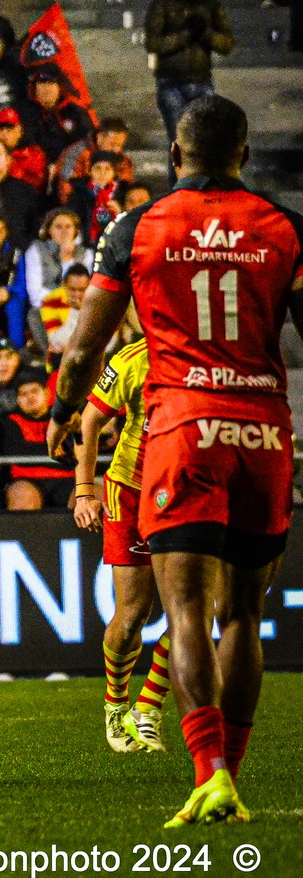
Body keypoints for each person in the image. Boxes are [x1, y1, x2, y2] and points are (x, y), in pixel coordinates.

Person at [49, 95, 302, 828]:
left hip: (182, 431)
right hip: (260, 429)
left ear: (174, 155)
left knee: (183, 608)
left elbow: (82, 352)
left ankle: (209, 770)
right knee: (244, 617)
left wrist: (64, 415)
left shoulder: (138, 227)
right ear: (246, 155)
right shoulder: (285, 228)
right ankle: (235, 776)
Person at [75, 331, 172, 754]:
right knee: (133, 615)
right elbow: (90, 419)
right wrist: (84, 490)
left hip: (187, 490)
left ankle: (147, 708)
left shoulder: (214, 354)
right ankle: (116, 703)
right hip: (131, 490)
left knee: (200, 607)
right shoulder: (136, 357)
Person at [141, 0, 233, 163]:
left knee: (203, 141)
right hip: (170, 82)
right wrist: (185, 35)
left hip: (202, 81)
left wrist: (205, 34)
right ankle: (179, 190)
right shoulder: (162, 5)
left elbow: (226, 44)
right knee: (179, 141)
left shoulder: (211, 6)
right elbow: (153, 43)